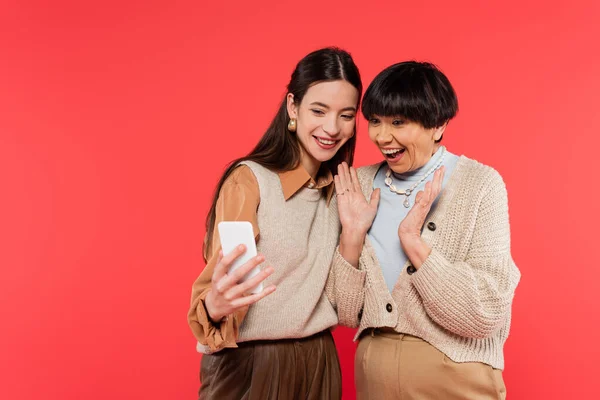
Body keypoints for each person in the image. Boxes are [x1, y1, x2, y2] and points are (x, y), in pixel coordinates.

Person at [331, 61, 521, 399]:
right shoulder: (357, 185)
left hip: (456, 383)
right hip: (374, 381)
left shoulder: (480, 185)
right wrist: (352, 235)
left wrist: (414, 244)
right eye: (375, 121)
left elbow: (485, 313)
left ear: (438, 125)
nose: (381, 136)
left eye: (399, 122)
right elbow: (345, 313)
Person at [187, 47, 362, 400]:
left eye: (346, 114)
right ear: (292, 107)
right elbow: (218, 294)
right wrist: (215, 307)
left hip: (319, 362)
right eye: (318, 110)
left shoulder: (343, 193)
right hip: (252, 364)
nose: (332, 127)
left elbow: (347, 310)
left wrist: (354, 234)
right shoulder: (249, 181)